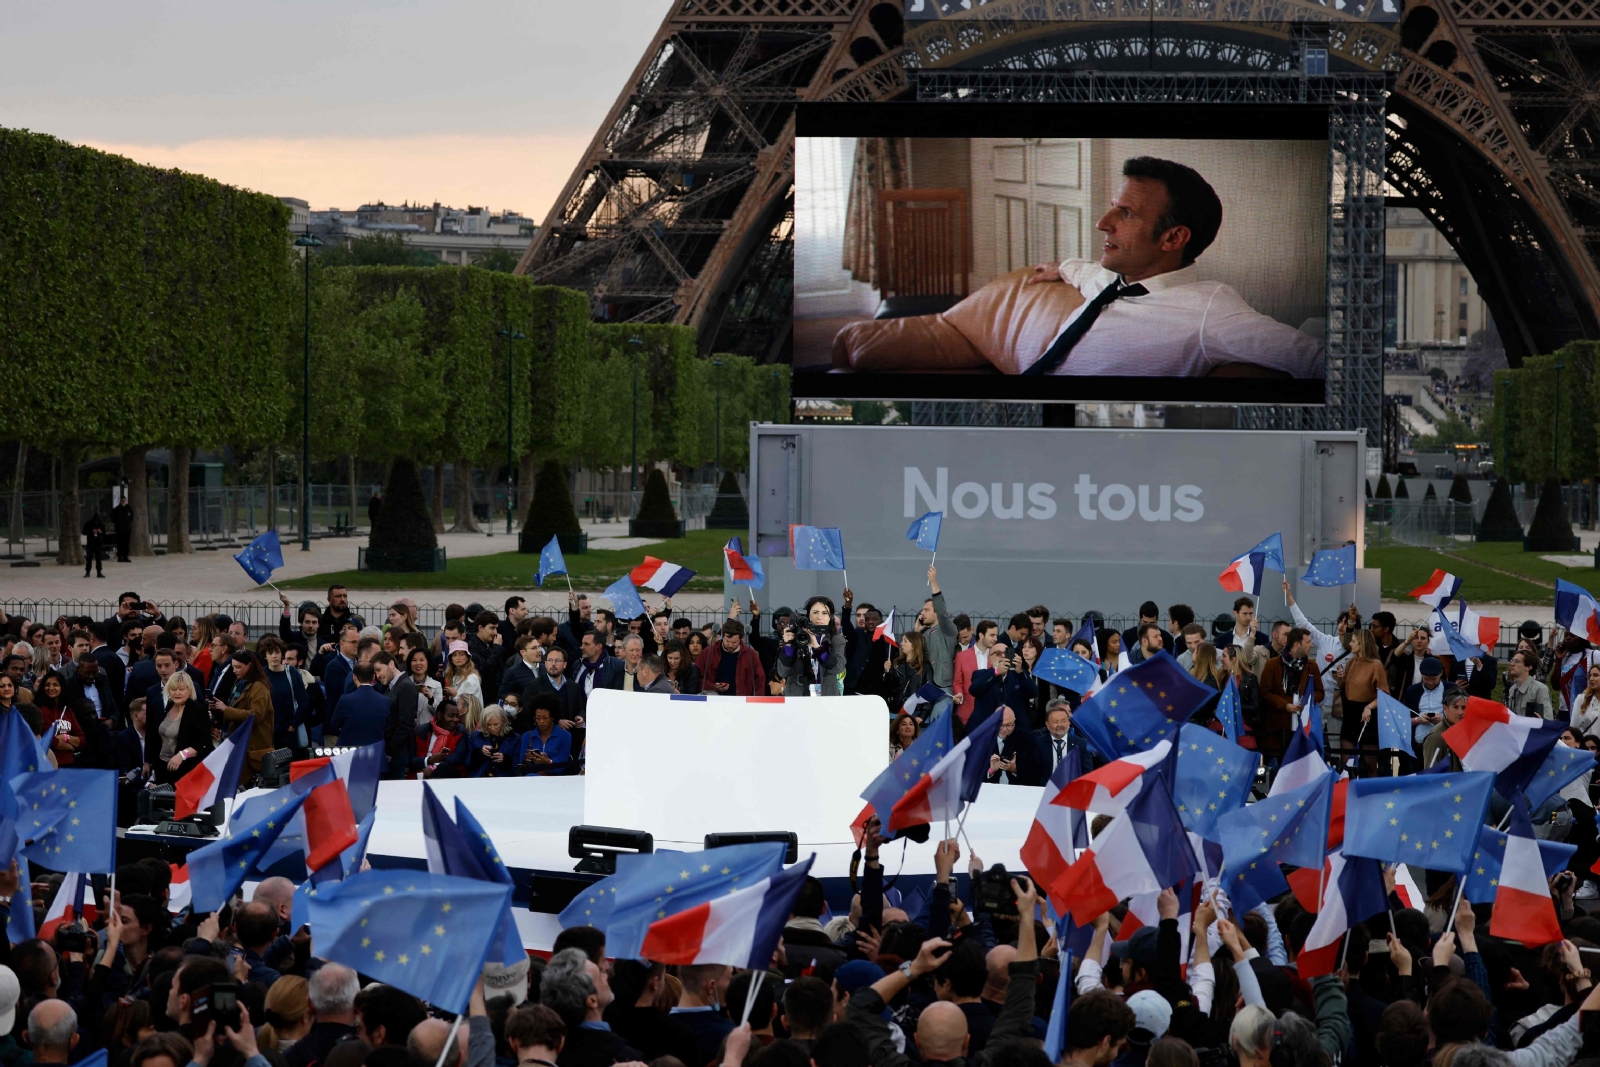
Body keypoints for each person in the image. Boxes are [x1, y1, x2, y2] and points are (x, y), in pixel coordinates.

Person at [1023, 156, 1323, 378]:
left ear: (1173, 237)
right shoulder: (1108, 279)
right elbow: (1084, 271)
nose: (1102, 223)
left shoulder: (1211, 310)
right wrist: (1062, 267)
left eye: (1125, 214)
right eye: (1114, 206)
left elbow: (1313, 358)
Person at [1257, 627, 1323, 765]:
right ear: (1297, 644)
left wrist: (1306, 701)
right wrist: (1285, 704)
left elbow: (1320, 692)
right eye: (1308, 642)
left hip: (1303, 727)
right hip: (1277, 727)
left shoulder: (1312, 666)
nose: (1311, 645)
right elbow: (1265, 692)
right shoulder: (1273, 665)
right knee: (1277, 766)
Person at [215, 651, 274, 778]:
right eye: (233, 667)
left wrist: (226, 710)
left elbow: (256, 715)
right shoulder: (240, 683)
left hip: (250, 751)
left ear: (250, 665)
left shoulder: (259, 687)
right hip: (239, 747)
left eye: (238, 667)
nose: (235, 671)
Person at [775, 597, 846, 696]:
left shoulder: (836, 640)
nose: (820, 617)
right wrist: (789, 645)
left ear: (831, 618)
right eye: (815, 612)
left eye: (825, 613)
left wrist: (818, 647)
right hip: (798, 698)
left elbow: (838, 668)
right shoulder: (797, 636)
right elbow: (783, 672)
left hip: (826, 698)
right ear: (808, 615)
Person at [152, 671, 211, 784]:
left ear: (189, 690)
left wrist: (182, 755)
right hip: (162, 768)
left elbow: (205, 743)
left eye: (181, 689)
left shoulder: (198, 710)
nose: (177, 693)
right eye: (173, 689)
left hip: (186, 771)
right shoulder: (168, 706)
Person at [695, 620, 766, 697]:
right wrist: (713, 687)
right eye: (727, 641)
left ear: (741, 639)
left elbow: (759, 680)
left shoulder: (750, 654)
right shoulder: (708, 652)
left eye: (734, 642)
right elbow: (697, 677)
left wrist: (756, 700)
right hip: (713, 700)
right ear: (722, 636)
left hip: (741, 702)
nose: (730, 645)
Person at [328, 662, 389, 748]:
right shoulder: (385, 701)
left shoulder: (345, 700)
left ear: (354, 677)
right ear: (373, 677)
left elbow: (334, 725)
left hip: (350, 753)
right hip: (375, 752)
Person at [519, 700, 572, 776]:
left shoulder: (565, 736)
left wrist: (548, 761)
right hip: (531, 778)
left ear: (552, 718)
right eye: (538, 718)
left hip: (556, 780)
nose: (541, 721)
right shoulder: (527, 736)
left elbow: (562, 766)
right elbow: (521, 765)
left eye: (545, 718)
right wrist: (526, 760)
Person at [1505, 650, 1554, 719]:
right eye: (1512, 660)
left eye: (1517, 661)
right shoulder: (1512, 689)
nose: (1512, 664)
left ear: (1528, 667)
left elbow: (1548, 720)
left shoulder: (1540, 689)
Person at [82, 513, 106, 579]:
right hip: (90, 543)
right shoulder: (88, 524)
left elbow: (104, 533)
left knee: (98, 558)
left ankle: (99, 572)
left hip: (98, 543)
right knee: (89, 558)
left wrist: (100, 532)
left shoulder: (101, 525)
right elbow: (84, 532)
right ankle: (87, 572)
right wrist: (91, 531)